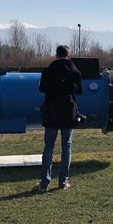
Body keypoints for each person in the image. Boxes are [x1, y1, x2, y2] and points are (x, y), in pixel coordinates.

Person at [35, 45, 83, 192]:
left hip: (51, 111)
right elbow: (79, 91)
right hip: (68, 112)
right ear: (69, 55)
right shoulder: (75, 71)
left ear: (56, 55)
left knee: (48, 147)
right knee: (66, 147)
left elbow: (42, 88)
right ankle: (63, 182)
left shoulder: (48, 70)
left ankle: (44, 182)